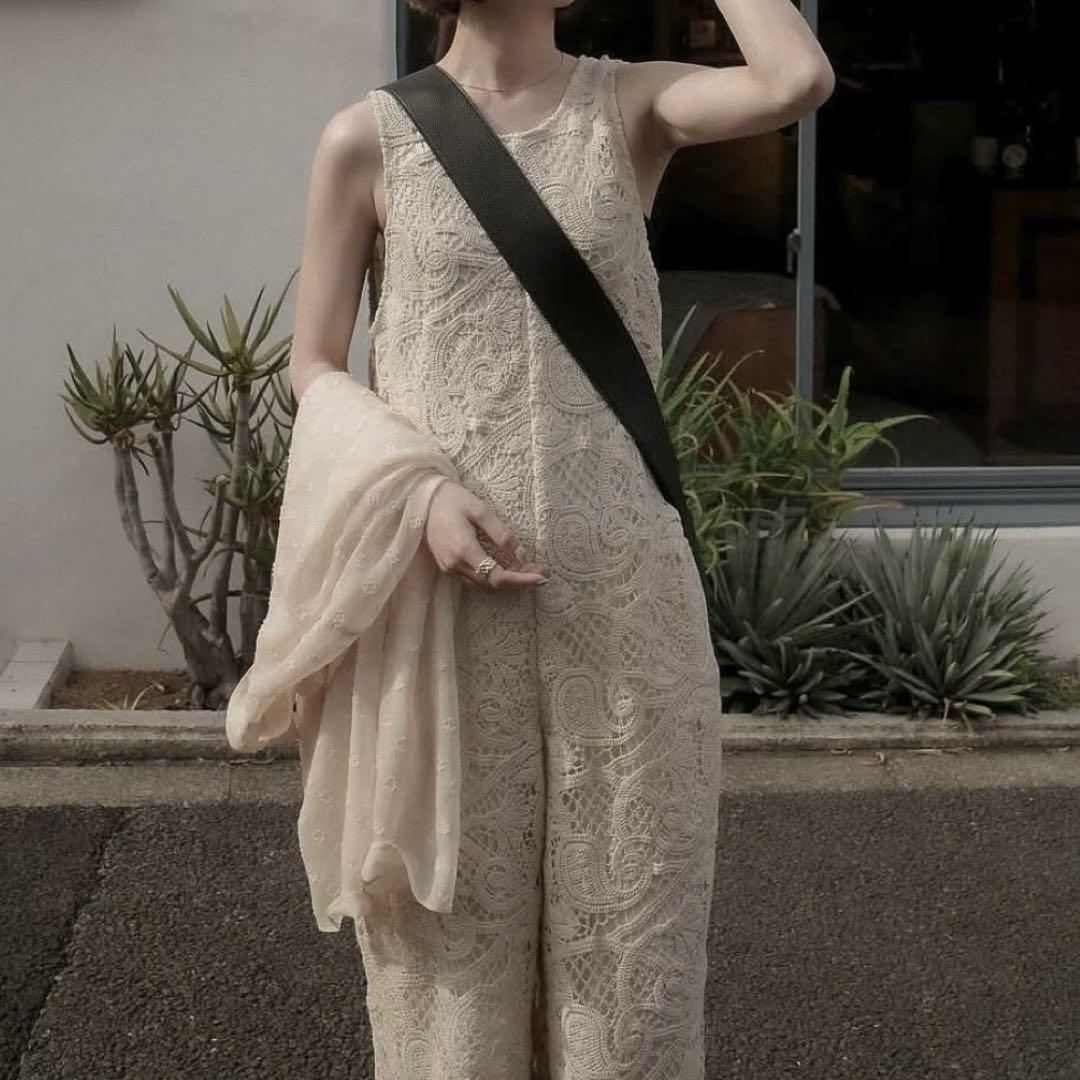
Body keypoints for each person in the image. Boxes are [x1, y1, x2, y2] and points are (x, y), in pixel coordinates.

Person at [288, 0, 834, 1076]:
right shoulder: (367, 138)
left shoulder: (629, 107)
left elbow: (795, 80)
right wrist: (415, 495)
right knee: (452, 955)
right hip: (443, 606)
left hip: (621, 598)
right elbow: (313, 364)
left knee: (626, 961)